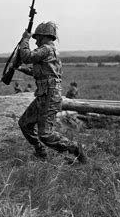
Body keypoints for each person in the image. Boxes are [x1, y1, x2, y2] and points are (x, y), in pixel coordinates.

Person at [12, 21, 87, 163]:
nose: (36, 42)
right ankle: (41, 152)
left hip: (50, 94)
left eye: (37, 38)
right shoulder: (48, 52)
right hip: (44, 93)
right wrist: (19, 68)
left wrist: (25, 39)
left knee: (45, 134)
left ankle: (76, 149)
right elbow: (37, 71)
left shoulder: (47, 49)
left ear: (44, 36)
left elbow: (27, 57)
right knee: (25, 123)